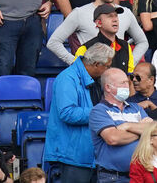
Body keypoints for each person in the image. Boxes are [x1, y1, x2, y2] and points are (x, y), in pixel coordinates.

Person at [47, 43, 114, 183]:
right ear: (96, 64)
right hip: (72, 156)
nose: (108, 70)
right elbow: (67, 113)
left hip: (89, 153)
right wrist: (100, 113)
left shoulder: (94, 79)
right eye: (107, 66)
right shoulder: (67, 78)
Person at [91, 67, 155, 183]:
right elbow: (113, 138)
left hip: (141, 175)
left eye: (127, 82)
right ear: (108, 87)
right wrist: (141, 130)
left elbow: (154, 131)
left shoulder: (135, 107)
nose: (128, 86)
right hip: (113, 177)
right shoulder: (99, 111)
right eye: (123, 83)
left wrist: (128, 126)